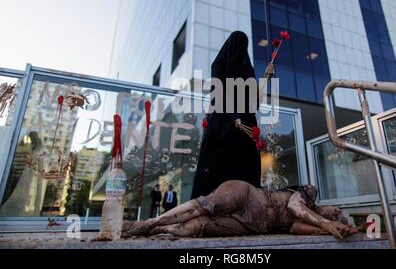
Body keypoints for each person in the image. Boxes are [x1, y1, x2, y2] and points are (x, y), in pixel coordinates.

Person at [191, 31, 275, 199]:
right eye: (238, 44)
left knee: (245, 172)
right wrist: (232, 115)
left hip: (244, 127)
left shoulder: (247, 69)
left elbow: (253, 104)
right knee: (216, 174)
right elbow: (218, 94)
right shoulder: (219, 65)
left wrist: (265, 78)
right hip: (222, 125)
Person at [122, 180, 356, 239]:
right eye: (336, 212)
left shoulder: (315, 219)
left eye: (337, 217)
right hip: (249, 196)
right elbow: (295, 207)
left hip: (254, 225)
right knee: (210, 206)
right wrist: (326, 223)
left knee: (198, 227)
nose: (334, 215)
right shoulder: (309, 193)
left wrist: (329, 231)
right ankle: (147, 224)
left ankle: (153, 231)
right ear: (330, 205)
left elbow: (296, 228)